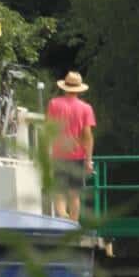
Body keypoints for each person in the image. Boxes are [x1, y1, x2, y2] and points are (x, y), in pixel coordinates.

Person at [46, 71, 96, 222]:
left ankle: (61, 219)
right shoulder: (86, 108)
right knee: (74, 194)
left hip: (58, 154)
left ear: (64, 87)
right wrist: (88, 160)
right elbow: (87, 136)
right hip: (78, 155)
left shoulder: (54, 104)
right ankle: (73, 223)